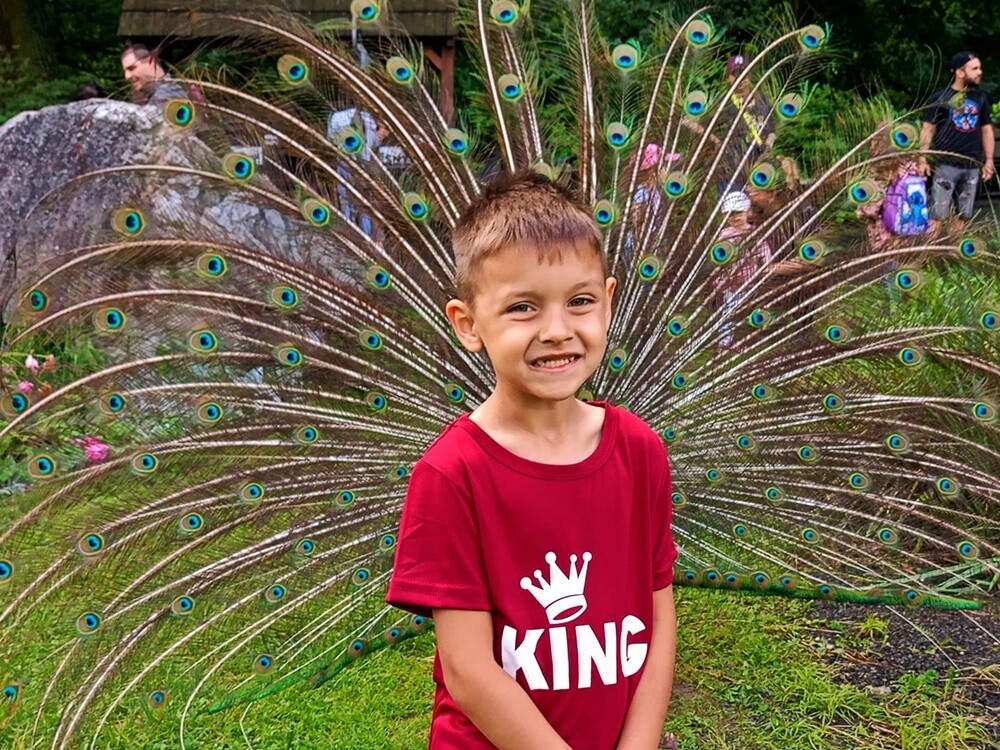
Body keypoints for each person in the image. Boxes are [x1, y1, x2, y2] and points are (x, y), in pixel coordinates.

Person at [386, 171, 678, 749]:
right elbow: (469, 672)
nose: (557, 330)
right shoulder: (452, 474)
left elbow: (657, 617)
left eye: (580, 302)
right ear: (468, 324)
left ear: (609, 301)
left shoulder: (641, 449)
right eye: (523, 307)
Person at [918, 51, 995, 232]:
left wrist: (989, 160)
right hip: (945, 165)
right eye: (974, 68)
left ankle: (953, 255)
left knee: (964, 215)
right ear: (960, 72)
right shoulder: (941, 98)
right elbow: (928, 128)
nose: (979, 72)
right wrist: (922, 158)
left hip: (971, 165)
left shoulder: (980, 99)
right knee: (937, 213)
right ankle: (926, 256)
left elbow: (986, 130)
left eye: (980, 68)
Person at [120, 44, 189, 105]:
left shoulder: (166, 95)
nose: (127, 76)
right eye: (125, 71)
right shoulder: (163, 93)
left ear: (151, 61)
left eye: (132, 68)